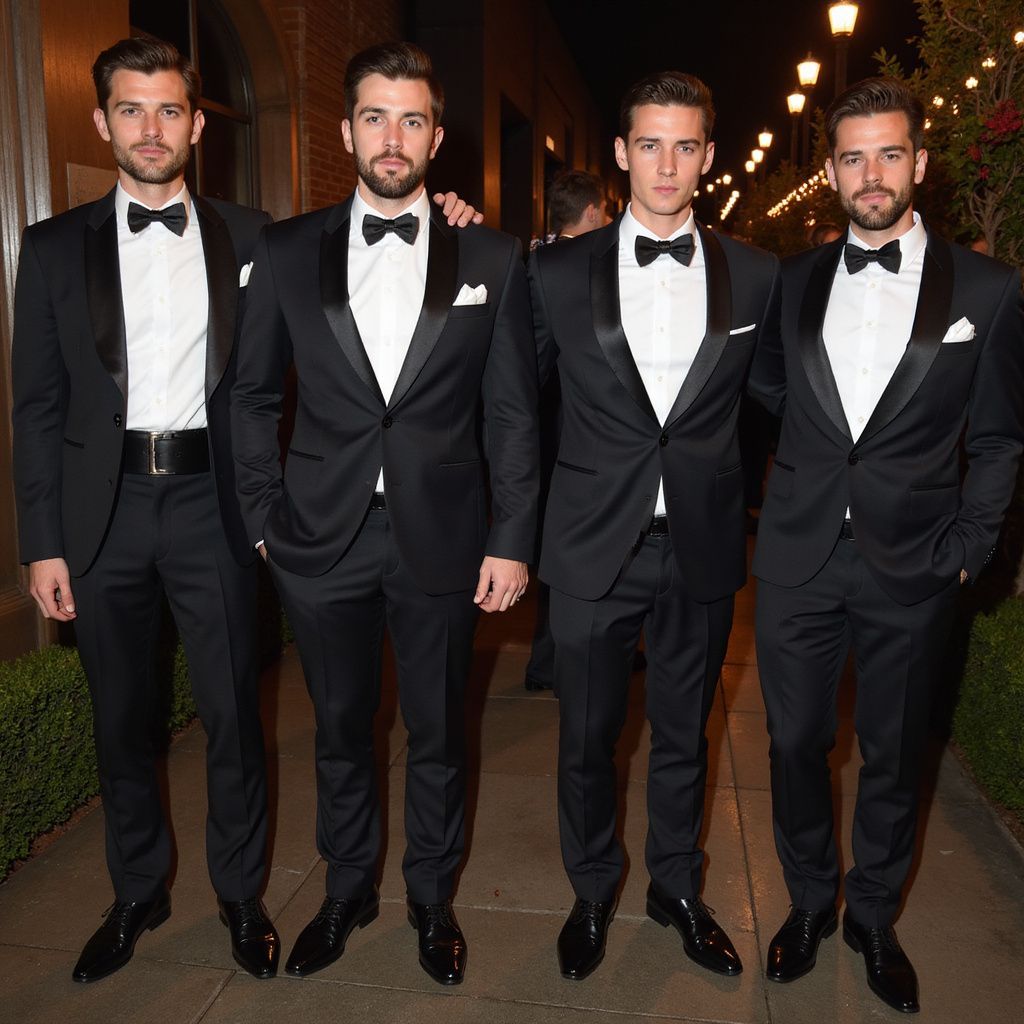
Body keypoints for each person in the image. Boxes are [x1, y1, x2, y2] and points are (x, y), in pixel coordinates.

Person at [230, 41, 538, 987]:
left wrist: (511, 538)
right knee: (339, 727)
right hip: (316, 537)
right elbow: (246, 397)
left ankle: (433, 900)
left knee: (441, 731)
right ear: (345, 129)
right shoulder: (286, 249)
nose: (392, 138)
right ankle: (348, 887)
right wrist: (264, 519)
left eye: (412, 120)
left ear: (437, 136)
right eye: (375, 116)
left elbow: (513, 410)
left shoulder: (490, 253)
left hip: (444, 538)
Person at [748, 77, 1023, 1014]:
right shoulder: (793, 283)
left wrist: (968, 546)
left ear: (921, 162)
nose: (872, 174)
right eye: (854, 156)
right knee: (793, 743)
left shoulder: (985, 289)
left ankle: (872, 914)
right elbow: (770, 400)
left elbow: (997, 438)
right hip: (799, 556)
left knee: (898, 752)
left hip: (918, 563)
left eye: (890, 153)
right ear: (831, 170)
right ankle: (810, 901)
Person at [11, 36, 278, 983]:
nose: (151, 128)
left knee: (236, 715)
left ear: (198, 126)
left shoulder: (255, 239)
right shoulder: (49, 250)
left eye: (170, 110)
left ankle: (241, 894)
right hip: (104, 515)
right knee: (119, 717)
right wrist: (41, 543)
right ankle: (138, 891)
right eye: (132, 109)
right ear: (102, 122)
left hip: (214, 507)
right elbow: (36, 408)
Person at [529, 71, 780, 981]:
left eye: (685, 145)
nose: (666, 164)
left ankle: (675, 885)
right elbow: (513, 404)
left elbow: (787, 398)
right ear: (622, 153)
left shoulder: (756, 272)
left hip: (706, 544)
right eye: (649, 144)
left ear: (708, 157)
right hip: (593, 546)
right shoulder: (554, 270)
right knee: (588, 738)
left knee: (686, 735)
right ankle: (592, 889)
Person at [525, 168, 608, 693]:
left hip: (548, 435)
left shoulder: (530, 256)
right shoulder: (556, 268)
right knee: (564, 551)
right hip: (560, 434)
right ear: (595, 210)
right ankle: (555, 656)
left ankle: (554, 654)